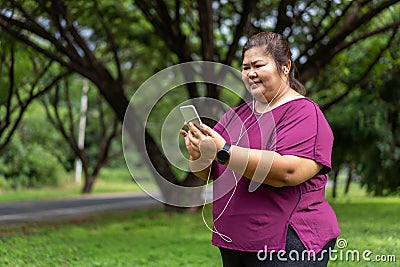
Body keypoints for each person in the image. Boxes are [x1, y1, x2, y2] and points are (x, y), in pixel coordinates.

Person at [180, 31, 340, 267]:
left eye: (258, 65)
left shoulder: (304, 113)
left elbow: (288, 172)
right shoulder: (235, 115)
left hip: (287, 242)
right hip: (235, 242)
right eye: (245, 67)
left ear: (284, 67)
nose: (250, 73)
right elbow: (211, 172)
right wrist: (198, 155)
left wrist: (224, 150)